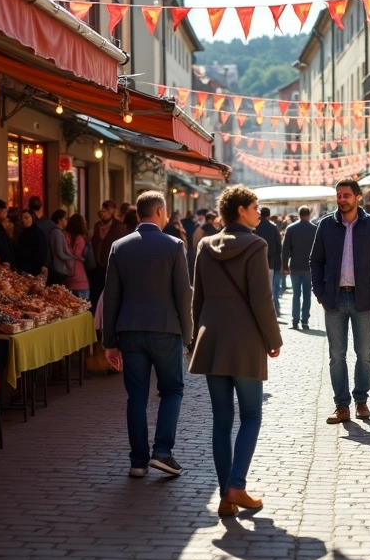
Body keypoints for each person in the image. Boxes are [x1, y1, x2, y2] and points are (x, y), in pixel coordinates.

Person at [189, 185, 283, 517]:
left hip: (211, 337)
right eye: (256, 206)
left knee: (221, 420)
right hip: (245, 339)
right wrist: (274, 339)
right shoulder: (256, 244)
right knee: (252, 416)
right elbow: (262, 298)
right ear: (241, 209)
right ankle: (236, 486)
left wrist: (194, 336)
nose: (259, 211)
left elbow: (197, 297)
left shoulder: (204, 244)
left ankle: (226, 495)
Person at [102, 191, 193, 478]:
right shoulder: (174, 245)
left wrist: (108, 342)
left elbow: (111, 297)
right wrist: (188, 337)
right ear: (159, 212)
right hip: (166, 330)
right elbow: (183, 295)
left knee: (136, 398)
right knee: (172, 390)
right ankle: (162, 452)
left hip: (129, 330)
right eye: (165, 212)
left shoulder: (119, 246)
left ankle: (138, 461)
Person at [310, 179, 370, 424]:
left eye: (346, 195)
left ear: (358, 197)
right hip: (334, 300)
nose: (342, 199)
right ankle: (341, 405)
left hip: (363, 298)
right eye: (339, 195)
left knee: (364, 353)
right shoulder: (325, 225)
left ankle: (361, 400)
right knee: (337, 354)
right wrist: (320, 293)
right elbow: (315, 261)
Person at [281, 205, 317, 330]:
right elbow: (319, 250)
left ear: (299, 214)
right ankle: (305, 320)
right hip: (309, 267)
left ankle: (295, 320)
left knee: (296, 294)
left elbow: (285, 249)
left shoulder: (291, 228)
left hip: (295, 266)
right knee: (307, 294)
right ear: (309, 214)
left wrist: (285, 265)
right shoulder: (314, 229)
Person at [90, 200, 127, 307]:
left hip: (112, 266)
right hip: (97, 267)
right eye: (104, 208)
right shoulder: (97, 226)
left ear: (114, 210)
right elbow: (94, 242)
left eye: (109, 208)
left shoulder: (119, 227)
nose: (106, 210)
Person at [254, 206, 283, 320]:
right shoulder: (272, 227)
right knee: (269, 289)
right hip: (270, 262)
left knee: (256, 288)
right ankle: (269, 313)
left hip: (256, 261)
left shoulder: (255, 226)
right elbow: (278, 246)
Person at [13, 209, 49, 277]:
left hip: (33, 270)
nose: (23, 220)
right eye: (22, 218)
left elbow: (42, 253)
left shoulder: (39, 234)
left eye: (26, 218)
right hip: (22, 269)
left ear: (32, 218)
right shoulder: (22, 233)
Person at [65, 213, 91, 300]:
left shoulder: (65, 236)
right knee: (84, 307)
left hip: (68, 276)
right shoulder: (80, 238)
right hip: (81, 277)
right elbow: (77, 253)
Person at [48, 209, 74, 286]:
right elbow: (60, 253)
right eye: (65, 219)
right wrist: (70, 257)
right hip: (59, 268)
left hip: (56, 267)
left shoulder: (54, 231)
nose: (67, 221)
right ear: (59, 220)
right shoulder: (57, 233)